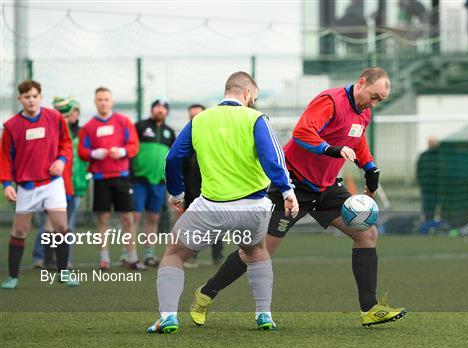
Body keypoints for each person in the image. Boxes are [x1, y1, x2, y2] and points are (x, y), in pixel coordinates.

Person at [189, 67, 407, 327]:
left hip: (325, 188)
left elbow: (357, 142)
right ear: (361, 83)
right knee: (257, 252)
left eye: (380, 100)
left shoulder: (364, 113)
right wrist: (330, 149)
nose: (375, 103)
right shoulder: (330, 102)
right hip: (293, 186)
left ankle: (369, 308)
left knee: (367, 234)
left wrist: (370, 167)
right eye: (374, 96)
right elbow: (302, 133)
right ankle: (206, 293)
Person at [146, 71, 299, 333]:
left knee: (173, 254)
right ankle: (264, 315)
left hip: (211, 208)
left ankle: (169, 316)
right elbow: (273, 158)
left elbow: (172, 158)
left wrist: (178, 194)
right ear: (248, 94)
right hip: (254, 207)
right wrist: (287, 191)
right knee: (256, 252)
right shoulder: (256, 118)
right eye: (254, 98)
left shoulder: (200, 120)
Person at [0, 80, 78, 289]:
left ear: (40, 97)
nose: (31, 100)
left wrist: (61, 161)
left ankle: (63, 273)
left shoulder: (54, 117)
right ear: (20, 99)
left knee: (62, 227)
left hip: (53, 184)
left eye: (34, 96)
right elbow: (5, 158)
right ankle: (13, 277)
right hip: (27, 186)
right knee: (19, 231)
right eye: (27, 97)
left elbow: (66, 144)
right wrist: (7, 184)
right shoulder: (10, 126)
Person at [78, 87, 144, 270]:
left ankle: (132, 257)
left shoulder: (123, 122)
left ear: (112, 101)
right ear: (95, 102)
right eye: (99, 99)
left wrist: (123, 151)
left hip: (122, 177)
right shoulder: (89, 127)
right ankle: (104, 258)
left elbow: (134, 146)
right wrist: (93, 153)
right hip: (100, 178)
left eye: (106, 99)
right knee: (103, 218)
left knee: (127, 218)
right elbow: (82, 152)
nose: (103, 102)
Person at [32, 97, 87, 270]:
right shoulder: (50, 132)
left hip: (69, 185)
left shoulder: (74, 134)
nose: (67, 117)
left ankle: (58, 260)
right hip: (52, 184)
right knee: (50, 222)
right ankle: (47, 259)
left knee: (63, 225)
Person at [132, 99, 176, 267]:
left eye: (164, 108)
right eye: (157, 107)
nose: (160, 110)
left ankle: (149, 254)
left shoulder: (169, 132)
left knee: (153, 218)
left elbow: (173, 157)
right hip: (139, 180)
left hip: (159, 182)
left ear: (167, 112)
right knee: (134, 217)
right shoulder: (140, 126)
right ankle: (129, 254)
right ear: (151, 109)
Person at [182, 104, 225, 268]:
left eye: (197, 116)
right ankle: (192, 256)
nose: (194, 119)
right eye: (191, 116)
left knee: (217, 222)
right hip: (191, 189)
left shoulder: (216, 137)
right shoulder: (185, 140)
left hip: (214, 188)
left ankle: (217, 257)